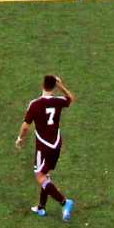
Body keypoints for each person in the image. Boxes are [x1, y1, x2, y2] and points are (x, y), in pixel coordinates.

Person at [15, 74, 75, 220]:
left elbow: (25, 127)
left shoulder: (35, 104)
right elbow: (71, 99)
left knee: (40, 176)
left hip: (43, 146)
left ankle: (64, 202)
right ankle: (41, 207)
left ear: (42, 85)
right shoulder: (58, 101)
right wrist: (61, 86)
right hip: (56, 144)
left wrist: (20, 139)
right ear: (54, 86)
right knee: (46, 173)